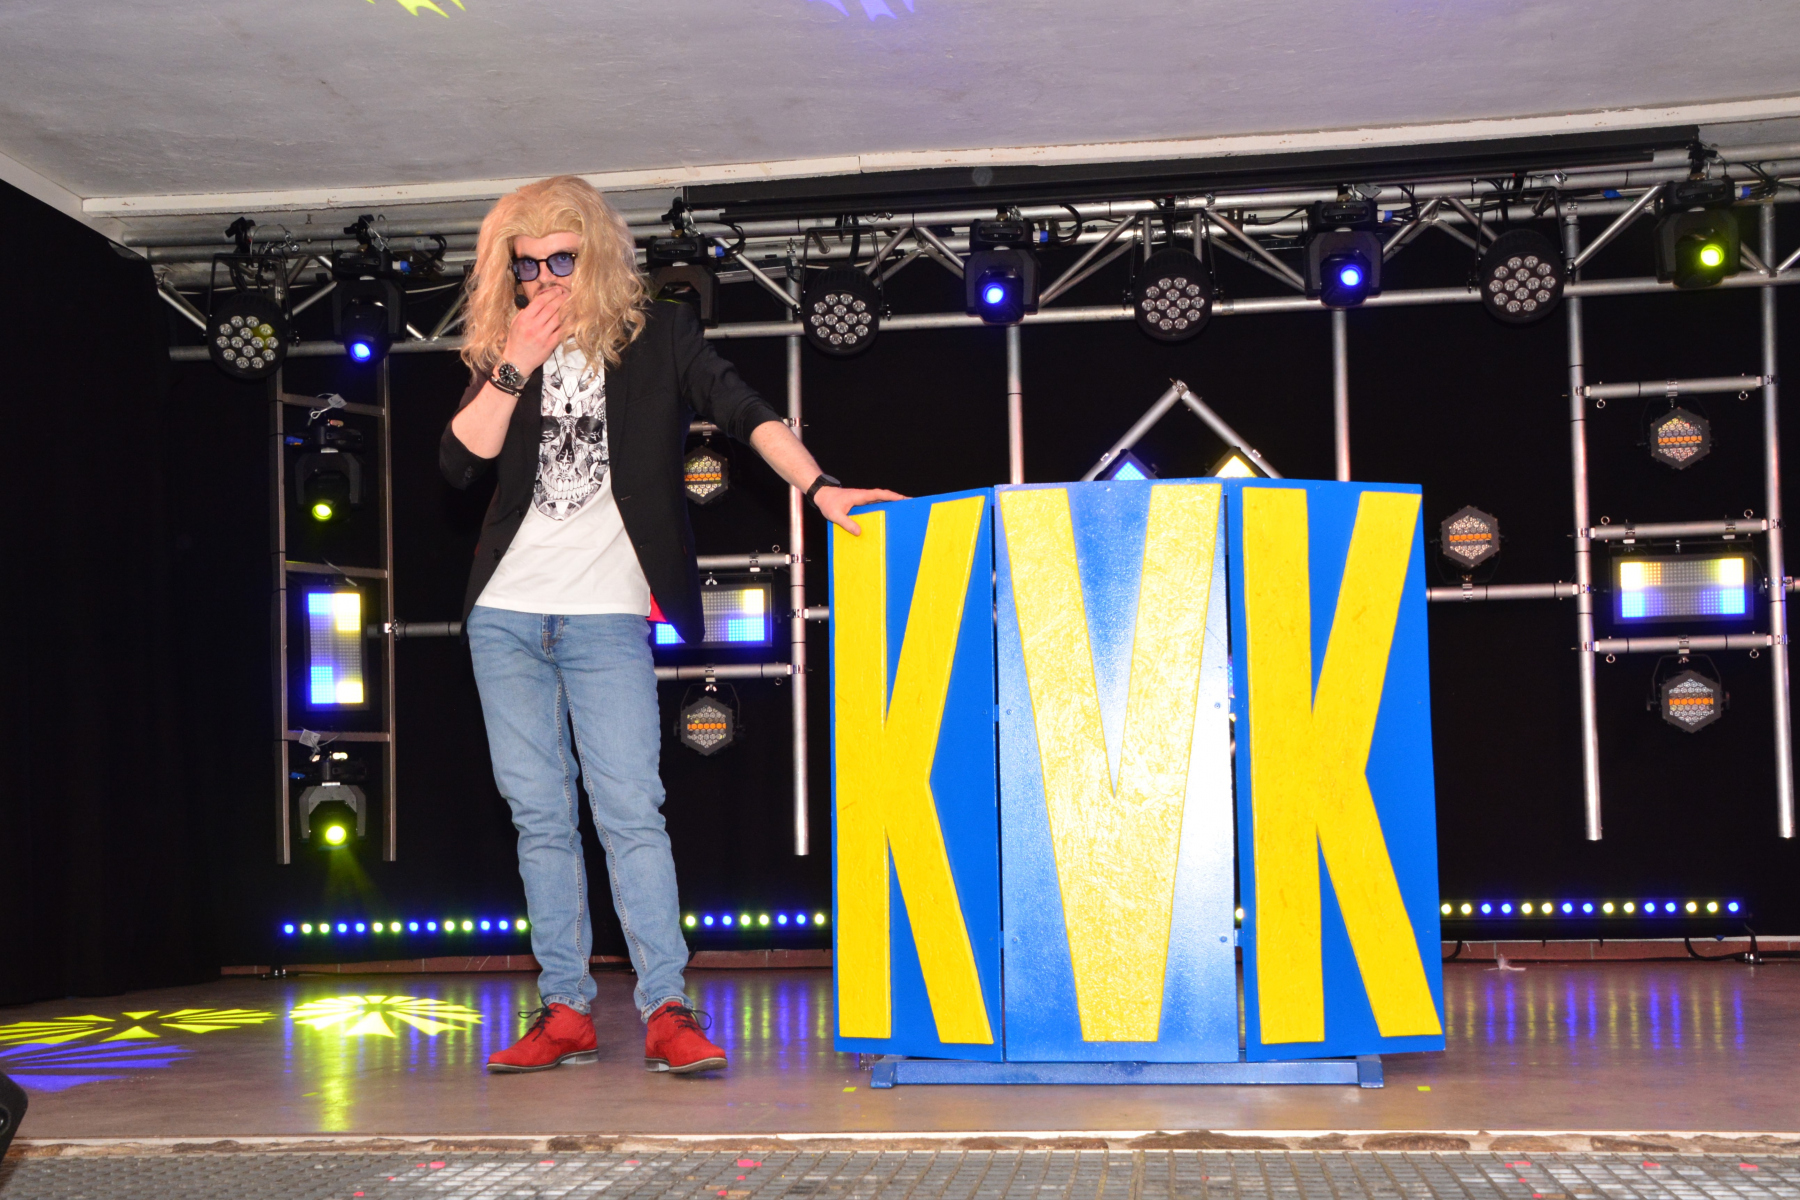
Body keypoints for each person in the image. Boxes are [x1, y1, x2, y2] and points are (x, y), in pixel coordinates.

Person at [441, 175, 900, 1075]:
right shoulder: (503, 348)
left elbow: (745, 412)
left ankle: (666, 1007)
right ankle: (565, 1009)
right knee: (540, 818)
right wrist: (514, 363)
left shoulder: (659, 338)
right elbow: (460, 466)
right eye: (527, 265)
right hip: (505, 615)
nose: (545, 279)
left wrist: (820, 487)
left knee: (630, 812)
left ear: (598, 255)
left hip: (606, 617)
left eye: (561, 259)